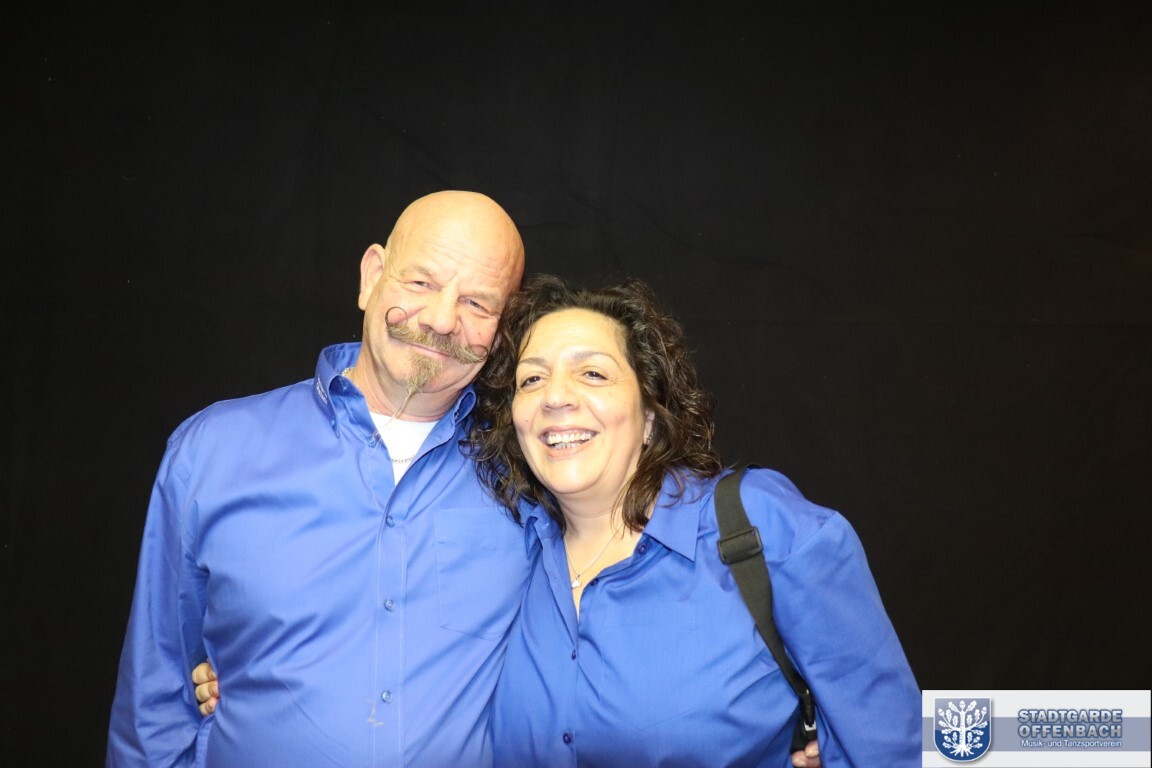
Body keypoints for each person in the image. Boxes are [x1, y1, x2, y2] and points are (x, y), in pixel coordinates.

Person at [107, 191, 533, 767]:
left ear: (503, 329)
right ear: (372, 276)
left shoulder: (531, 474)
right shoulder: (213, 451)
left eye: (477, 303)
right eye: (420, 282)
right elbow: (156, 697)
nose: (440, 319)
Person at [464, 274, 922, 766]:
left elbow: (923, 744)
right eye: (531, 379)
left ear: (650, 415)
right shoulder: (513, 553)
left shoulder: (762, 527)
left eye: (593, 373)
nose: (555, 397)